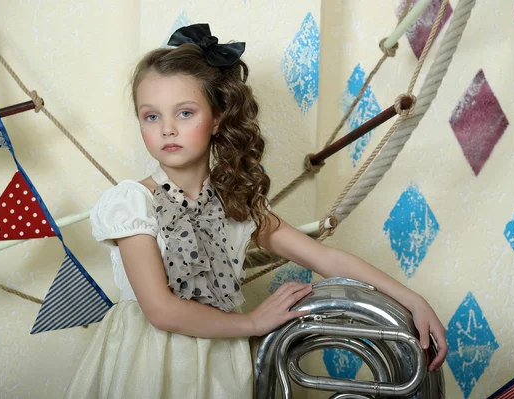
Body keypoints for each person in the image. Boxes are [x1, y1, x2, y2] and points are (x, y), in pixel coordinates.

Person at [64, 23, 447, 399]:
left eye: (184, 113)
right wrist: (251, 322)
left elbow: (324, 256)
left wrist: (412, 300)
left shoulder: (237, 206)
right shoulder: (133, 203)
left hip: (222, 365)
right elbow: (161, 310)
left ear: (216, 119)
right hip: (149, 364)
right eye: (151, 116)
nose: (167, 129)